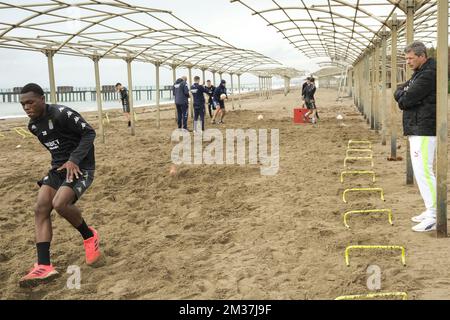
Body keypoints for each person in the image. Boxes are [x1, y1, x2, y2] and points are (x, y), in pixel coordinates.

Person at [18, 83, 101, 287]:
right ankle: (44, 266)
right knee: (41, 207)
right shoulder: (33, 126)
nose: (27, 107)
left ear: (42, 99)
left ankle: (89, 236)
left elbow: (89, 133)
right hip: (58, 169)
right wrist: (59, 165)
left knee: (60, 204)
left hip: (80, 167)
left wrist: (73, 159)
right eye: (23, 104)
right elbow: (57, 147)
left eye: (30, 102)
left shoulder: (63, 114)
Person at [394, 41, 437, 232]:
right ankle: (430, 210)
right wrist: (403, 93)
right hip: (417, 127)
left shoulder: (429, 74)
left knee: (424, 171)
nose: (408, 62)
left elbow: (405, 100)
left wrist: (404, 94)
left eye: (411, 58)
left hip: (424, 128)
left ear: (422, 56)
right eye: (407, 58)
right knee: (421, 171)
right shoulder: (419, 73)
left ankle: (435, 213)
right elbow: (399, 91)